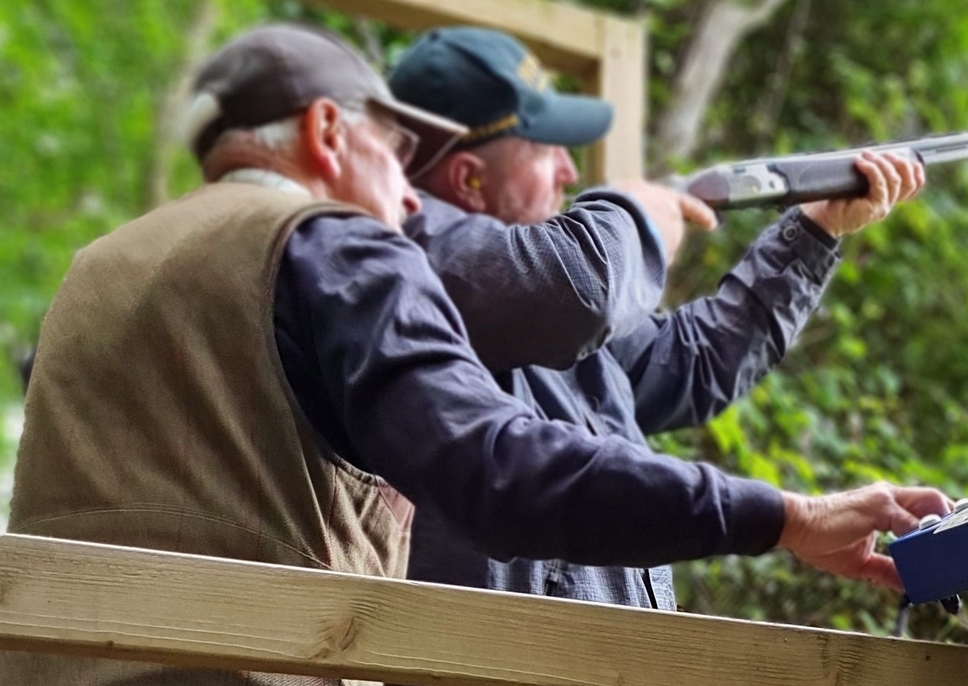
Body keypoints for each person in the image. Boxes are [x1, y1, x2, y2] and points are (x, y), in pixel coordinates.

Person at [0, 23, 949, 685]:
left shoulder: (100, 267)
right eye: (385, 155)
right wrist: (782, 514)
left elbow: (685, 359)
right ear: (326, 131)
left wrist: (812, 230)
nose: (398, 196)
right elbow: (499, 464)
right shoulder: (344, 244)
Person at [384, 27, 929, 612]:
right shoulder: (408, 261)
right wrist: (636, 215)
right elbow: (584, 295)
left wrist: (816, 229)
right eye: (546, 149)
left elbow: (694, 363)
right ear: (467, 177)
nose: (569, 172)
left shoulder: (537, 299)